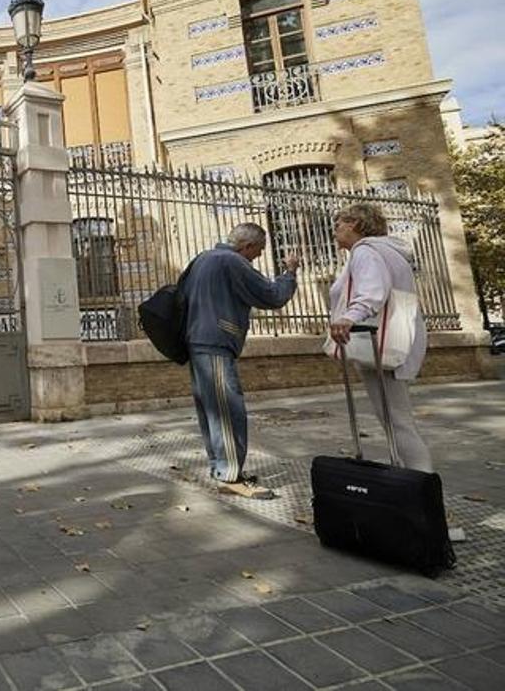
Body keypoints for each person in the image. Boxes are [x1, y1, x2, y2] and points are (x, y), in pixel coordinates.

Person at [182, 223, 299, 499]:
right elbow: (272, 296)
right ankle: (231, 476)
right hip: (216, 343)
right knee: (227, 411)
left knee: (212, 411)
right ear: (246, 246)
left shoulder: (203, 258)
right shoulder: (233, 261)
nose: (258, 256)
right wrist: (290, 272)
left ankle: (221, 468)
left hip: (197, 341)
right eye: (258, 251)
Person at [328, 202, 432, 471]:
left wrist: (349, 317)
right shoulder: (387, 252)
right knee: (394, 419)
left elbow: (373, 291)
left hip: (380, 344)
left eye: (339, 223)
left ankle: (423, 489)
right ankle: (406, 479)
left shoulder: (366, 251)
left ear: (355, 224)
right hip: (390, 341)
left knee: (397, 421)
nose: (335, 229)